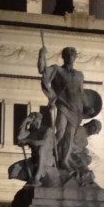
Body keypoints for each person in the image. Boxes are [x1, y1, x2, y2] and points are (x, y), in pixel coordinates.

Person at [38, 44, 88, 175]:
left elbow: (81, 93)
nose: (71, 57)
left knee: (69, 136)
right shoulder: (57, 70)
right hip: (63, 105)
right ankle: (48, 153)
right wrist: (42, 55)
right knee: (60, 132)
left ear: (75, 57)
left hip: (77, 109)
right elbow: (42, 71)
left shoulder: (79, 75)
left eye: (73, 55)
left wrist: (88, 106)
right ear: (63, 57)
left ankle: (64, 161)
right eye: (68, 55)